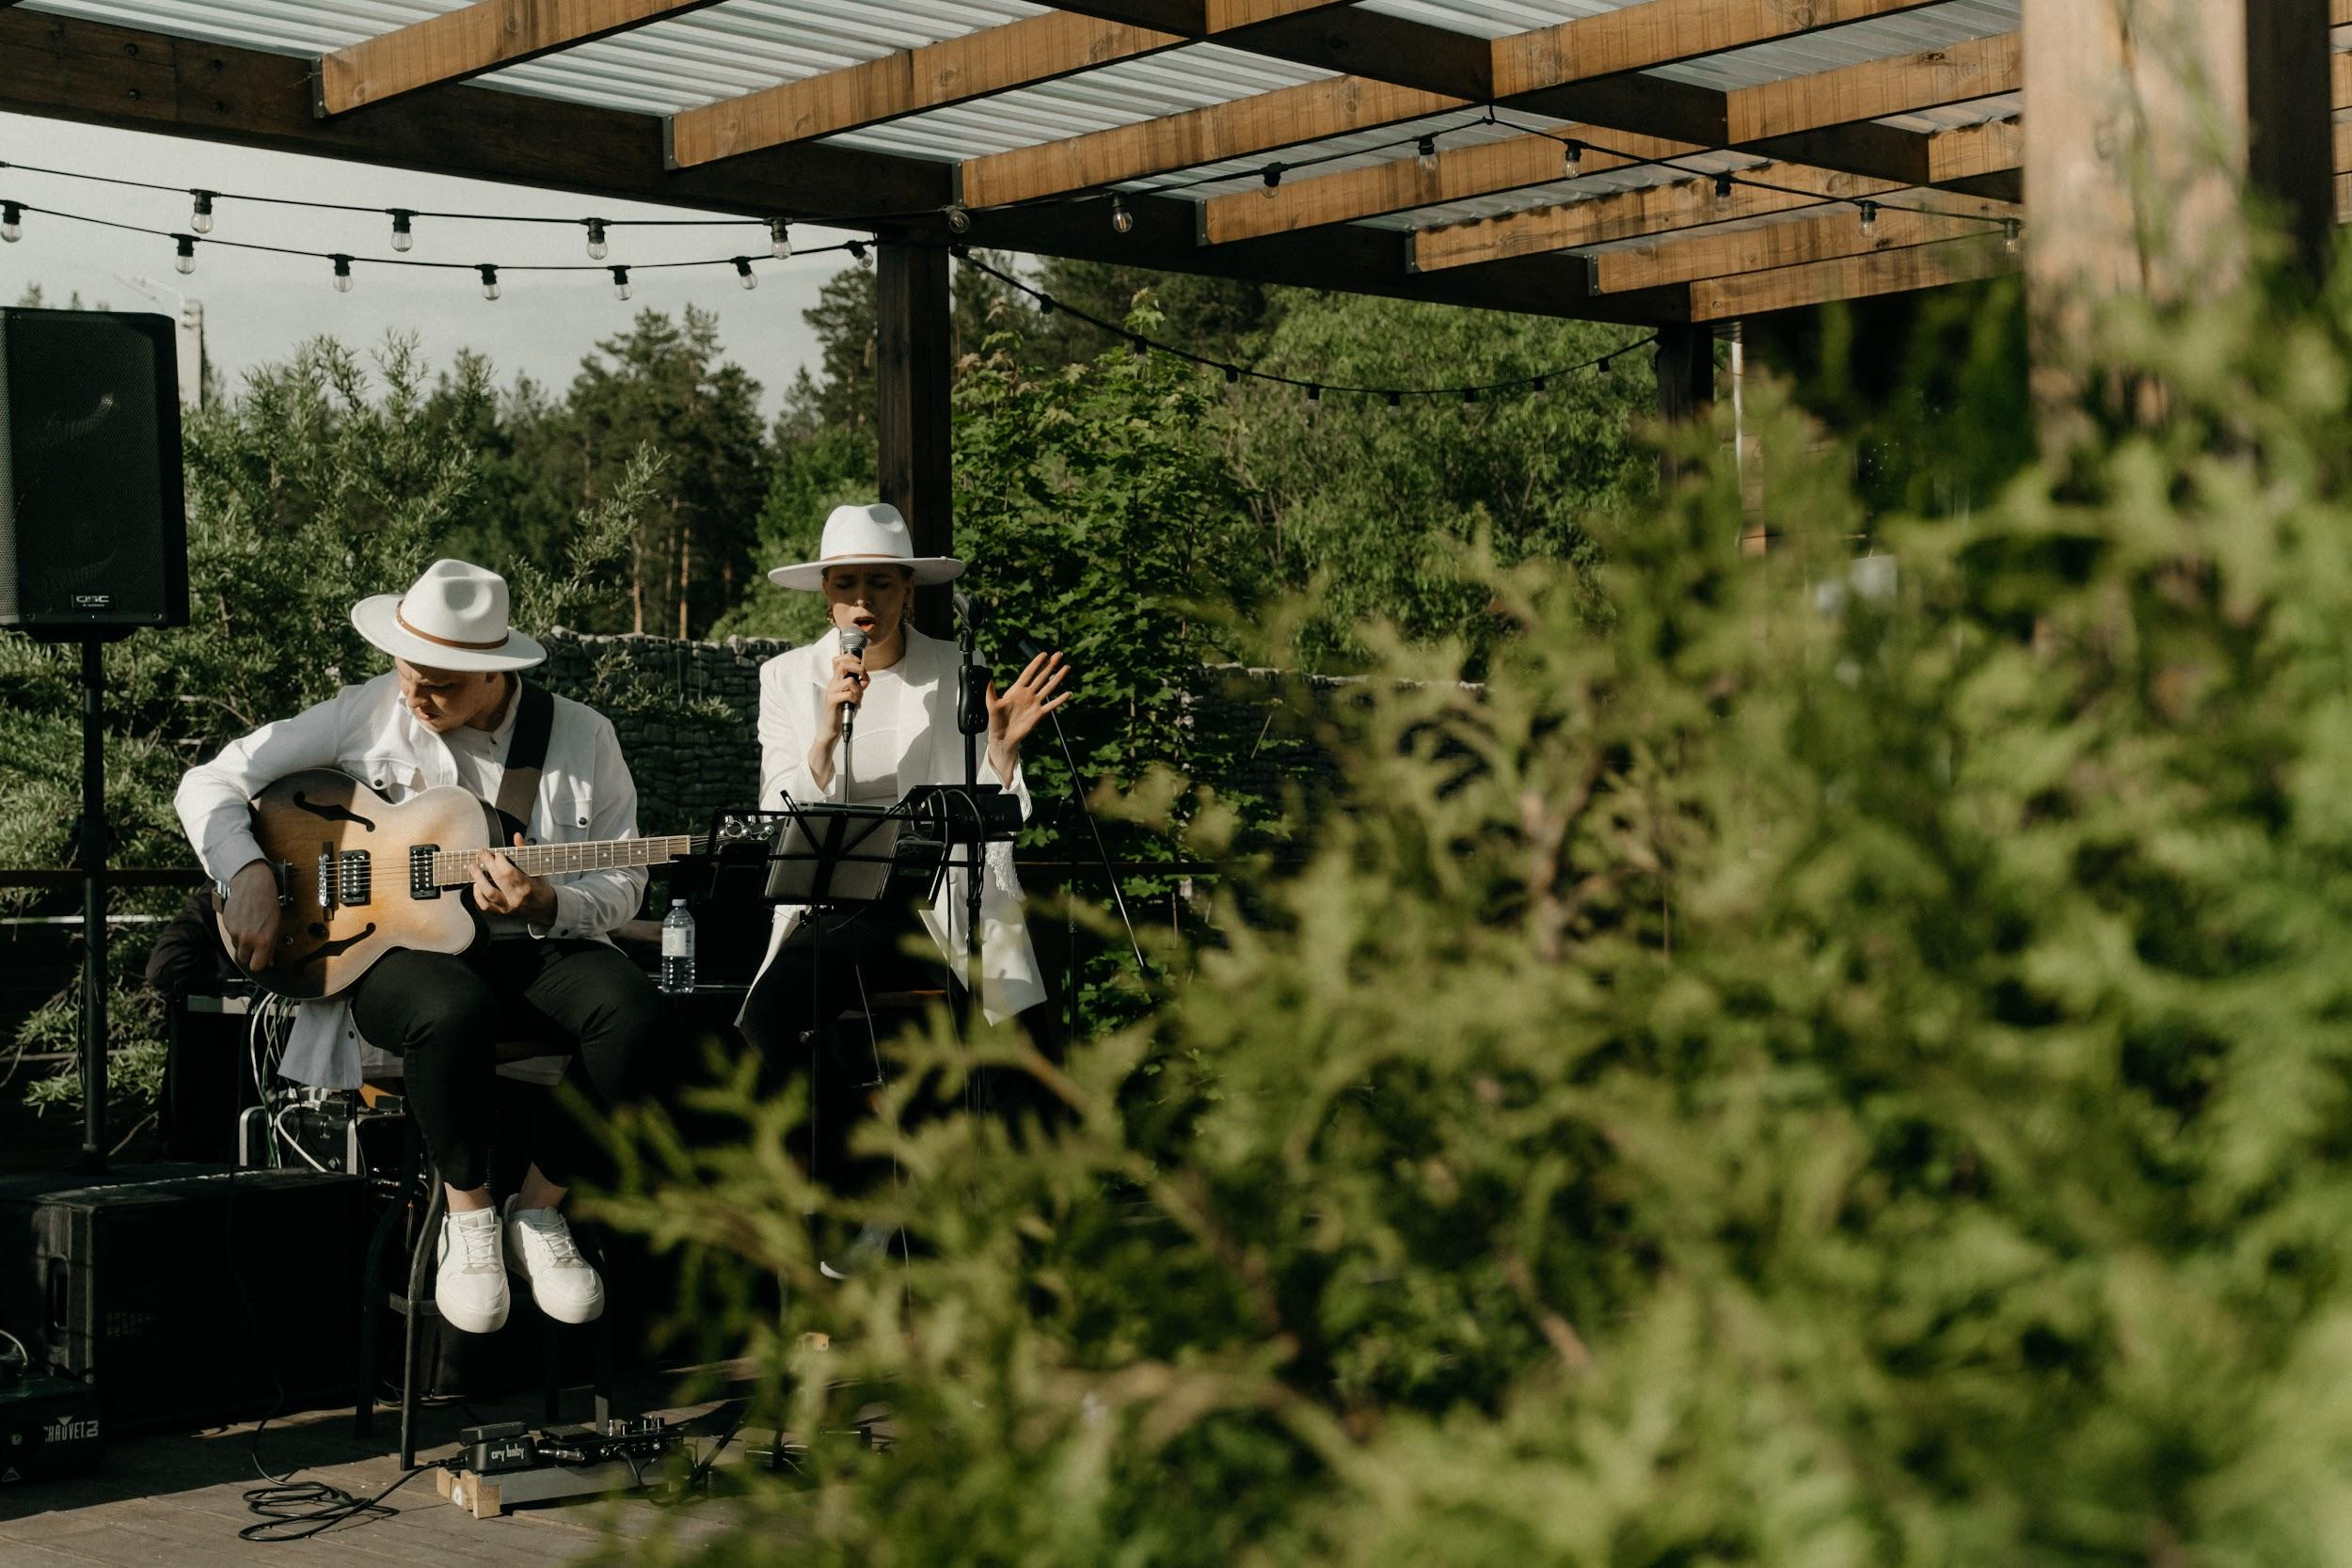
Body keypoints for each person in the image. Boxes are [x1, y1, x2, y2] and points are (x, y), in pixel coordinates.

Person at [176, 559, 662, 1335]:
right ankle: (467, 1220)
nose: (414, 694)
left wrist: (549, 899)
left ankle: (537, 1212)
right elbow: (208, 782)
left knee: (636, 1012)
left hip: (528, 940)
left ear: (492, 675)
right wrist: (248, 871)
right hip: (394, 952)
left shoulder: (581, 735)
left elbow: (626, 876)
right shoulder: (367, 710)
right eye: (406, 671)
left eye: (437, 683)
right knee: (450, 1008)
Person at [740, 503, 1070, 1187]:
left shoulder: (956, 667)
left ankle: (1030, 1219)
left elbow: (997, 813)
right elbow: (779, 811)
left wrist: (1003, 753)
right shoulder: (787, 679)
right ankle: (856, 1175)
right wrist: (825, 735)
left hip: (944, 898)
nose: (863, 601)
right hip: (836, 907)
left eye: (881, 583)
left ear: (908, 591)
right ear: (826, 594)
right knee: (768, 1021)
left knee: (1024, 1040)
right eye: (847, 584)